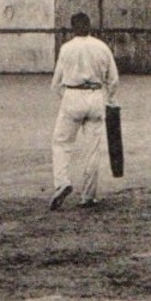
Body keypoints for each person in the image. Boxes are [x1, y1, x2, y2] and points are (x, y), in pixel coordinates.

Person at [48, 11, 119, 210]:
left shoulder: (66, 48)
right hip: (96, 96)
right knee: (92, 149)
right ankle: (88, 196)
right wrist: (110, 100)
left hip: (72, 95)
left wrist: (67, 99)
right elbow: (113, 80)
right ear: (89, 26)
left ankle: (62, 182)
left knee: (61, 143)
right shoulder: (101, 47)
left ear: (72, 28)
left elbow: (56, 84)